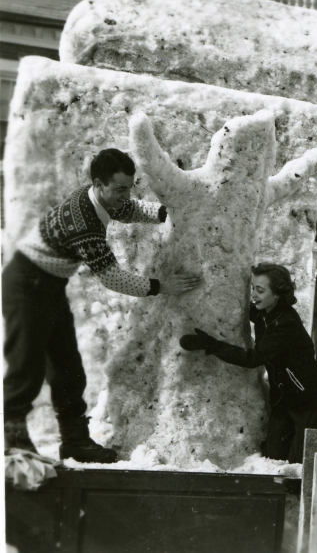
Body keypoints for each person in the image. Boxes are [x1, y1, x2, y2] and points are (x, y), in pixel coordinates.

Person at [3, 148, 203, 463]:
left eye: (130, 185)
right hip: (26, 284)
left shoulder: (102, 198)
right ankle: (11, 442)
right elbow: (112, 278)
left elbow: (128, 208)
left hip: (48, 284)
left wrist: (165, 213)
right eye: (121, 188)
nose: (127, 194)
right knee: (26, 366)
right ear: (99, 184)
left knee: (68, 369)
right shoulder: (85, 221)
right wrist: (161, 286)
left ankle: (75, 442)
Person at [180, 263, 317, 464]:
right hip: (285, 399)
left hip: (312, 400)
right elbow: (242, 309)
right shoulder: (265, 313)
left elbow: (252, 359)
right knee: (273, 458)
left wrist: (211, 345)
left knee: (299, 465)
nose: (254, 295)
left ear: (278, 293)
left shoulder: (285, 323)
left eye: (260, 290)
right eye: (253, 288)